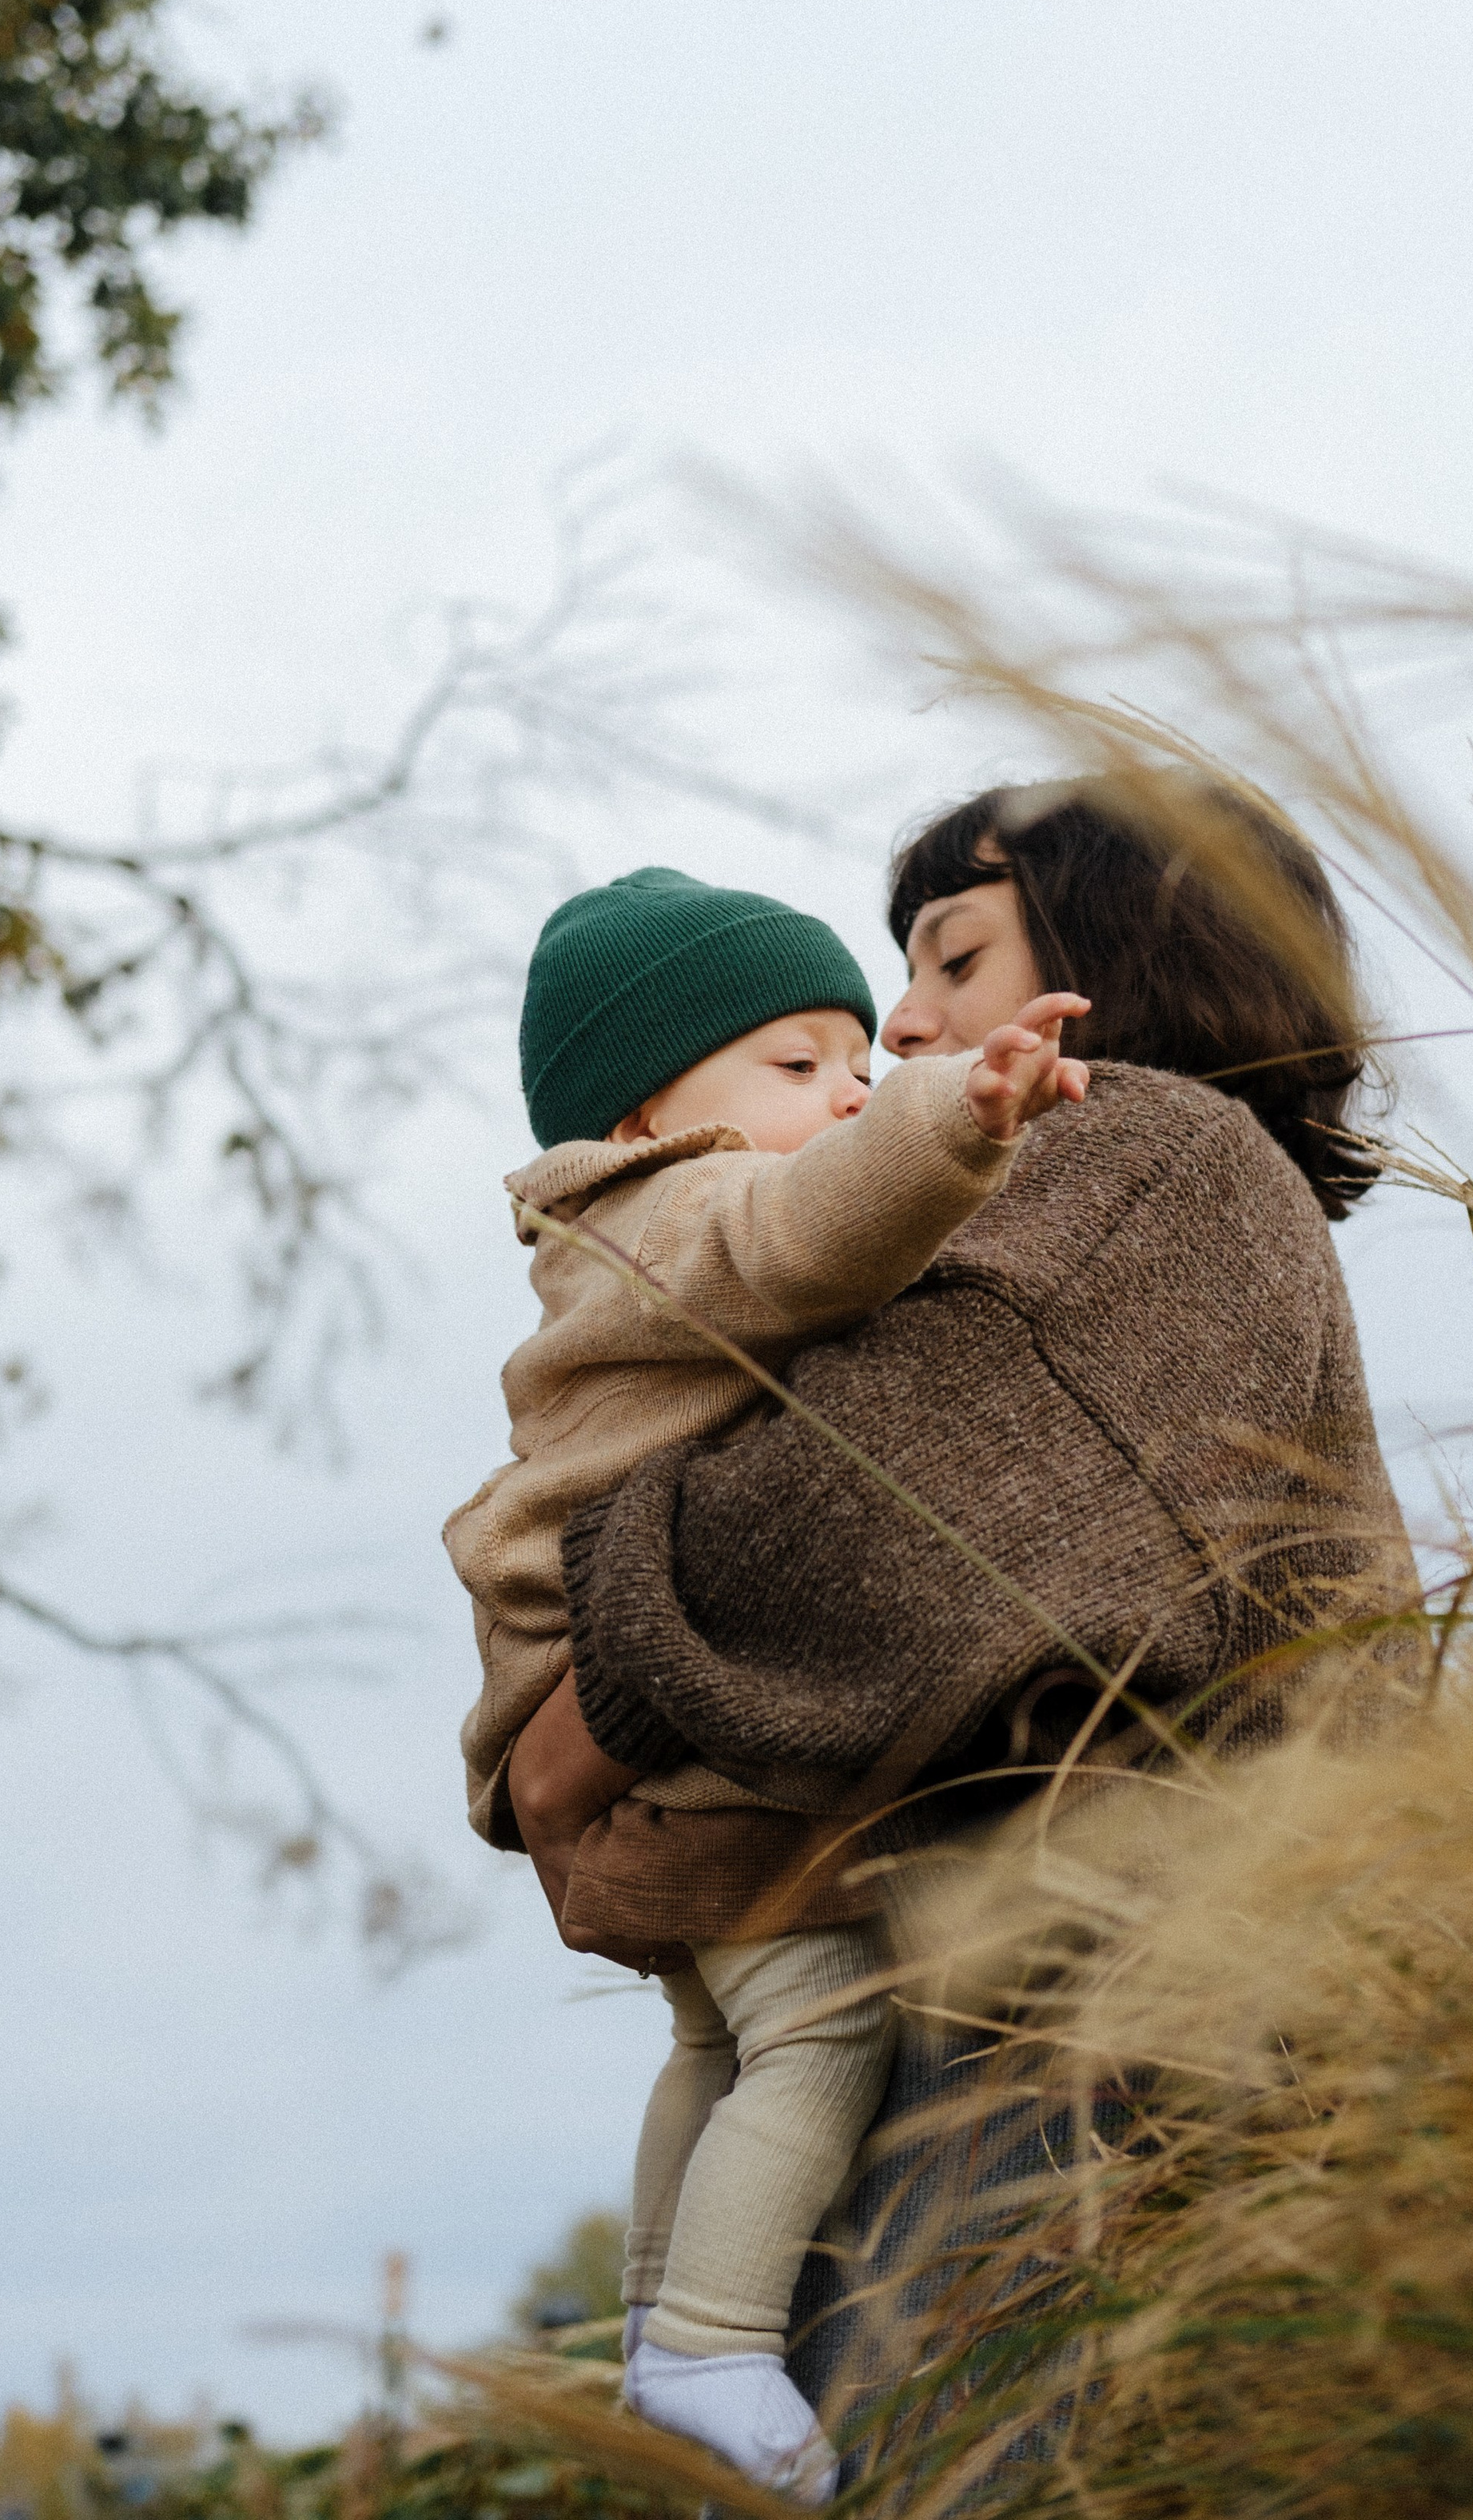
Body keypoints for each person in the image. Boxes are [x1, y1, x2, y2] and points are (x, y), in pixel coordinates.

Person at [501, 780, 1421, 2429]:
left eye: (950, 955)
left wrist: (571, 1729)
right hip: (1092, 2062)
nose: (903, 1023)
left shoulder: (1148, 1147)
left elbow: (871, 1515)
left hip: (1093, 2080)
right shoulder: (1151, 1191)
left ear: (1117, 942)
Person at [444, 863, 1090, 2501]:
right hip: (636, 1693)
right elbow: (806, 1235)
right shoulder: (678, 1212)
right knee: (821, 2021)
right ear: (645, 1107)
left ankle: (662, 2318)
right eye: (794, 1066)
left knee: (713, 2038)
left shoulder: (612, 1237)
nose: (849, 1089)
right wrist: (964, 1113)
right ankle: (716, 2342)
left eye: (856, 1067)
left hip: (580, 1691)